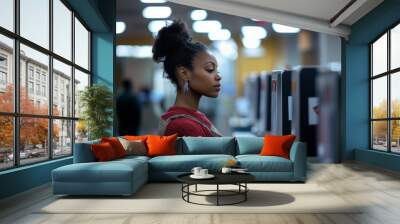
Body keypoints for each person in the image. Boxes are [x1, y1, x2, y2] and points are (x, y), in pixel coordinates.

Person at [152, 20, 222, 137]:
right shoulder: (184, 126)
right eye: (210, 69)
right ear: (184, 73)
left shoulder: (193, 117)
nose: (218, 77)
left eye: (217, 71)